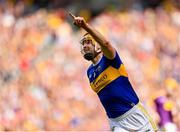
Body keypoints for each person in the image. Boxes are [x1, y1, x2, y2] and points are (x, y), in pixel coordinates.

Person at [69, 12, 157, 132]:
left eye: (89, 42)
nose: (85, 46)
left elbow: (106, 43)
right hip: (116, 123)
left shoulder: (110, 59)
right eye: (84, 43)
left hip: (135, 116)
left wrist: (85, 26)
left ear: (98, 47)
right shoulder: (90, 72)